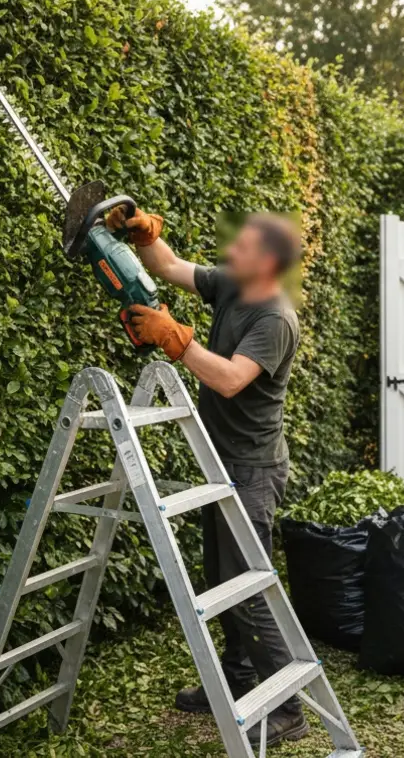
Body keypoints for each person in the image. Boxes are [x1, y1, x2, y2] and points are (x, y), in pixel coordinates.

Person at [106, 206, 308, 748]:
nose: (231, 249)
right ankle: (239, 679)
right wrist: (143, 235)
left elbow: (231, 379)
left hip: (253, 468)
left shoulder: (274, 317)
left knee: (249, 588)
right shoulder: (232, 285)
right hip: (222, 459)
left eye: (244, 245)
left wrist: (177, 339)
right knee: (223, 579)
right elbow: (168, 266)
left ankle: (287, 707)